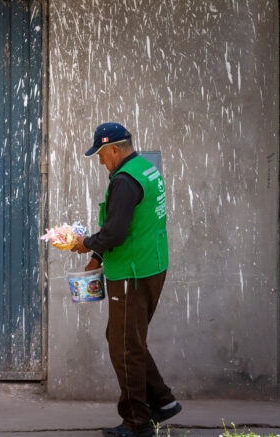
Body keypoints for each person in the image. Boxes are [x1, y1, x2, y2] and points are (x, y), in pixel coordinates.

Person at [72, 122, 182, 437]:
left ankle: (137, 423)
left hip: (131, 275)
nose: (100, 162)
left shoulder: (124, 181)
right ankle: (162, 400)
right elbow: (131, 224)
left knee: (125, 347)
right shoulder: (146, 170)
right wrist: (98, 258)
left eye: (101, 155)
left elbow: (116, 231)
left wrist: (87, 245)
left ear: (115, 150)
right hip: (151, 265)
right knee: (125, 339)